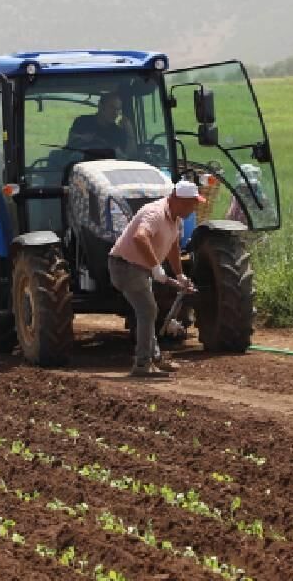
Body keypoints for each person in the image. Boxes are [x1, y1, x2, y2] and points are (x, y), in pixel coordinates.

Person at [108, 179, 202, 377]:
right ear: (177, 199)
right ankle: (143, 365)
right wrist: (156, 267)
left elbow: (173, 247)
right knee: (148, 310)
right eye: (190, 204)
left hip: (140, 268)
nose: (193, 209)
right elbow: (140, 237)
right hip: (125, 266)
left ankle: (155, 358)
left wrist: (179, 275)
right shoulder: (155, 213)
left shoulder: (176, 219)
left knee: (149, 311)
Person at [67, 91, 136, 159]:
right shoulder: (82, 122)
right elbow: (71, 148)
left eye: (118, 109)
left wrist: (129, 131)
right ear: (100, 106)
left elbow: (129, 157)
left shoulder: (117, 132)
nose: (115, 113)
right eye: (111, 107)